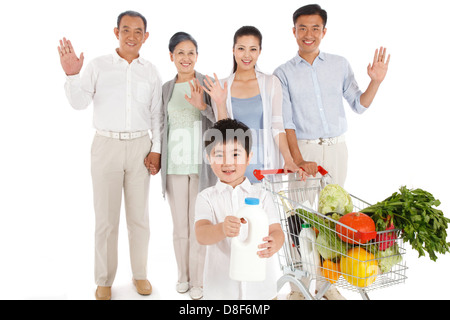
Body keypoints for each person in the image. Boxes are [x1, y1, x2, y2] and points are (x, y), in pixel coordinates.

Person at [273, 4, 390, 300]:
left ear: (324, 31)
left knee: (336, 221)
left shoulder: (339, 64)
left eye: (315, 28)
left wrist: (375, 81)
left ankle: (327, 284)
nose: (308, 34)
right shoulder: (282, 73)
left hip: (337, 149)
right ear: (294, 32)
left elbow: (360, 105)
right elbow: (286, 123)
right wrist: (298, 160)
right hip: (305, 151)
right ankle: (298, 287)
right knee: (299, 220)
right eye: (302, 28)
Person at [58, 11, 163, 300]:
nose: (132, 36)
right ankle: (104, 279)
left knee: (139, 217)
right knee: (106, 219)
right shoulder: (98, 66)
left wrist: (156, 150)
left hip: (141, 148)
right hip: (106, 147)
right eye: (126, 30)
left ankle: (140, 274)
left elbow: (157, 115)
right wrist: (71, 75)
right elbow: (79, 103)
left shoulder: (151, 71)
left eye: (138, 31)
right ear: (115, 32)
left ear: (146, 36)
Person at [195, 118, 284, 300]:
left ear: (249, 157)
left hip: (262, 290)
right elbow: (201, 234)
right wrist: (221, 229)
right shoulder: (206, 197)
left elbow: (277, 231)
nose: (228, 163)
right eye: (219, 155)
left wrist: (274, 242)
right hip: (221, 291)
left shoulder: (263, 195)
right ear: (208, 157)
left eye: (235, 154)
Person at [202, 26, 305, 183]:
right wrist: (220, 103)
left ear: (259, 51)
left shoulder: (271, 83)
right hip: (234, 169)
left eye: (253, 49)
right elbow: (223, 134)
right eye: (241, 48)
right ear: (233, 50)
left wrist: (288, 159)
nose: (247, 55)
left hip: (265, 167)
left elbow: (277, 126)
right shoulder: (221, 86)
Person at [159, 32, 217, 300]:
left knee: (198, 226)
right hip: (174, 165)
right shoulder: (166, 89)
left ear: (197, 55)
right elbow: (162, 125)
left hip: (200, 165)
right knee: (179, 226)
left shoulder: (206, 82)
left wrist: (202, 105)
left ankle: (199, 280)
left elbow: (220, 123)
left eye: (191, 52)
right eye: (180, 53)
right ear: (171, 56)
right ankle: (182, 276)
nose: (186, 58)